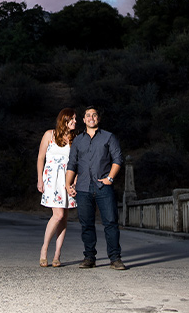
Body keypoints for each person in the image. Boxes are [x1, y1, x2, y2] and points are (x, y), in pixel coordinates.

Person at [65, 106, 125, 270]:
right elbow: (72, 164)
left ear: (98, 118)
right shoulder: (78, 140)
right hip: (83, 188)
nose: (91, 117)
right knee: (86, 224)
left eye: (94, 115)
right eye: (88, 115)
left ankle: (115, 258)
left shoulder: (108, 137)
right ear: (83, 120)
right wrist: (67, 184)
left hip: (103, 187)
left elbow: (117, 159)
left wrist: (110, 178)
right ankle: (89, 257)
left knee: (111, 222)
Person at [36, 108, 78, 267]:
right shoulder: (49, 134)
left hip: (67, 180)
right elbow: (40, 157)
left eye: (75, 119)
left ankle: (57, 255)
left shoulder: (75, 138)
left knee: (64, 218)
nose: (75, 121)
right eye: (72, 119)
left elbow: (78, 163)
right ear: (64, 120)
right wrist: (40, 179)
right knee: (58, 215)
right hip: (52, 179)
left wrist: (75, 181)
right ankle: (44, 249)